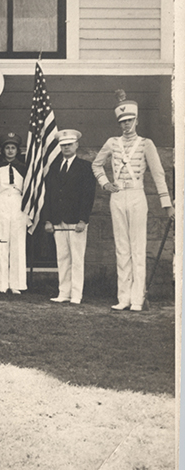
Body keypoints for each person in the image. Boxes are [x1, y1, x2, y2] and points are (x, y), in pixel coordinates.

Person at [92, 93, 174, 311]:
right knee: (121, 248)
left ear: (136, 120)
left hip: (137, 197)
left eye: (129, 121)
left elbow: (158, 174)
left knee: (138, 248)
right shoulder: (112, 143)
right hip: (117, 197)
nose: (126, 125)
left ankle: (138, 298)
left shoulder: (146, 144)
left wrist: (167, 205)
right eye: (122, 122)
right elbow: (96, 165)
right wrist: (105, 184)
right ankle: (123, 298)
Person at [41, 129, 96, 306]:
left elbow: (88, 196)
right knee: (62, 257)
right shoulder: (54, 168)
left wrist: (83, 220)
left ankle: (76, 294)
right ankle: (63, 292)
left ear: (76, 145)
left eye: (69, 145)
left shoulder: (85, 167)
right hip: (58, 220)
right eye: (63, 145)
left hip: (76, 221)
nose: (66, 148)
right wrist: (48, 220)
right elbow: (48, 195)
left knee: (77, 258)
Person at [0, 132, 28, 295]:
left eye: (13, 148)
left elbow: (28, 192)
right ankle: (1, 283)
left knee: (18, 245)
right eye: (7, 148)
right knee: (2, 244)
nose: (10, 151)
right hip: (2, 204)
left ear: (17, 150)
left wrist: (26, 213)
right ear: (3, 150)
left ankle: (16, 283)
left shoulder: (24, 169)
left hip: (18, 205)